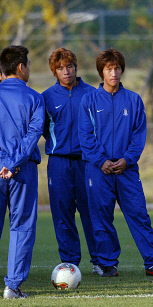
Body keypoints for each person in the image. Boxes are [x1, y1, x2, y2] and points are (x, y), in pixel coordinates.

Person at [78, 48, 153, 277]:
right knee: (101, 217)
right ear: (101, 72)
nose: (114, 73)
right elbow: (85, 135)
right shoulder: (89, 100)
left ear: (122, 70)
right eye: (109, 69)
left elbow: (139, 135)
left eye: (117, 68)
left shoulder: (133, 99)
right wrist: (101, 161)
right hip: (98, 170)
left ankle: (152, 263)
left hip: (126, 170)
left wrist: (127, 159)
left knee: (139, 214)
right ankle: (108, 264)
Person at [42, 48, 102, 275]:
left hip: (87, 163)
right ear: (54, 72)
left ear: (75, 68)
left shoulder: (91, 93)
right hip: (58, 163)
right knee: (62, 212)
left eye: (69, 67)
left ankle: (99, 261)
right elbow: (46, 130)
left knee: (92, 212)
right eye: (60, 68)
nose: (66, 72)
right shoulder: (46, 97)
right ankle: (70, 263)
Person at [0, 45, 45, 299]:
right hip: (22, 170)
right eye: (28, 64)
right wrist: (14, 162)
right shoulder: (35, 98)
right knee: (21, 227)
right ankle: (12, 286)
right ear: (21, 67)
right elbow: (32, 136)